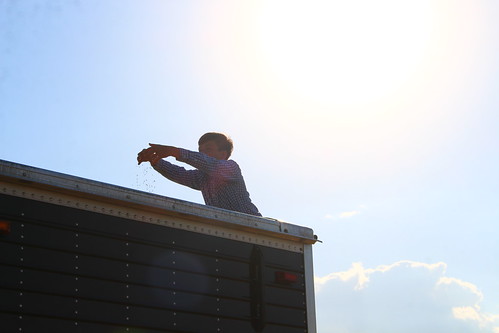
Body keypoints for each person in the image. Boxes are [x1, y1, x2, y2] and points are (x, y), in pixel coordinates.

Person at [137, 132, 261, 216]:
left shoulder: (231, 168)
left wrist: (173, 151)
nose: (202, 153)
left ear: (223, 154)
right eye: (200, 151)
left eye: (208, 149)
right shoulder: (202, 178)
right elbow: (179, 173)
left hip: (254, 226)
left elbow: (209, 163)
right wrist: (155, 161)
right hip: (226, 226)